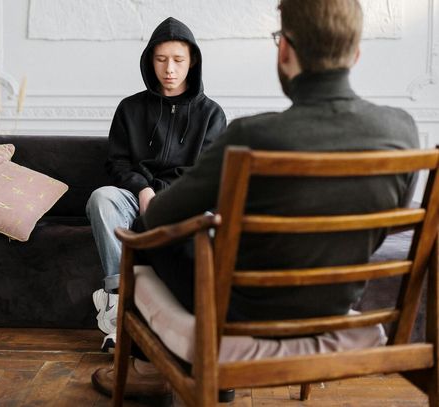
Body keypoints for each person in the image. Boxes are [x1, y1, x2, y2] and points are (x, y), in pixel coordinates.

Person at [91, 0, 420, 399]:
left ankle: (152, 369)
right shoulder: (402, 131)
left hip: (240, 310)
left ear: (284, 50)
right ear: (356, 53)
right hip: (332, 307)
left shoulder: (250, 135)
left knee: (147, 233)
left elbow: (158, 217)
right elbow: (388, 223)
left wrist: (149, 216)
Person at [86, 17, 226, 352]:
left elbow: (207, 174)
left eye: (178, 60)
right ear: (150, 60)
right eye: (161, 59)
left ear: (193, 61)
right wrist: (144, 189)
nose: (169, 69)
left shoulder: (212, 114)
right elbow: (117, 163)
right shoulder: (129, 109)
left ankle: (187, 321)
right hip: (137, 197)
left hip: (184, 202)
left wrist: (166, 198)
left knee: (210, 218)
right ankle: (117, 300)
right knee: (102, 198)